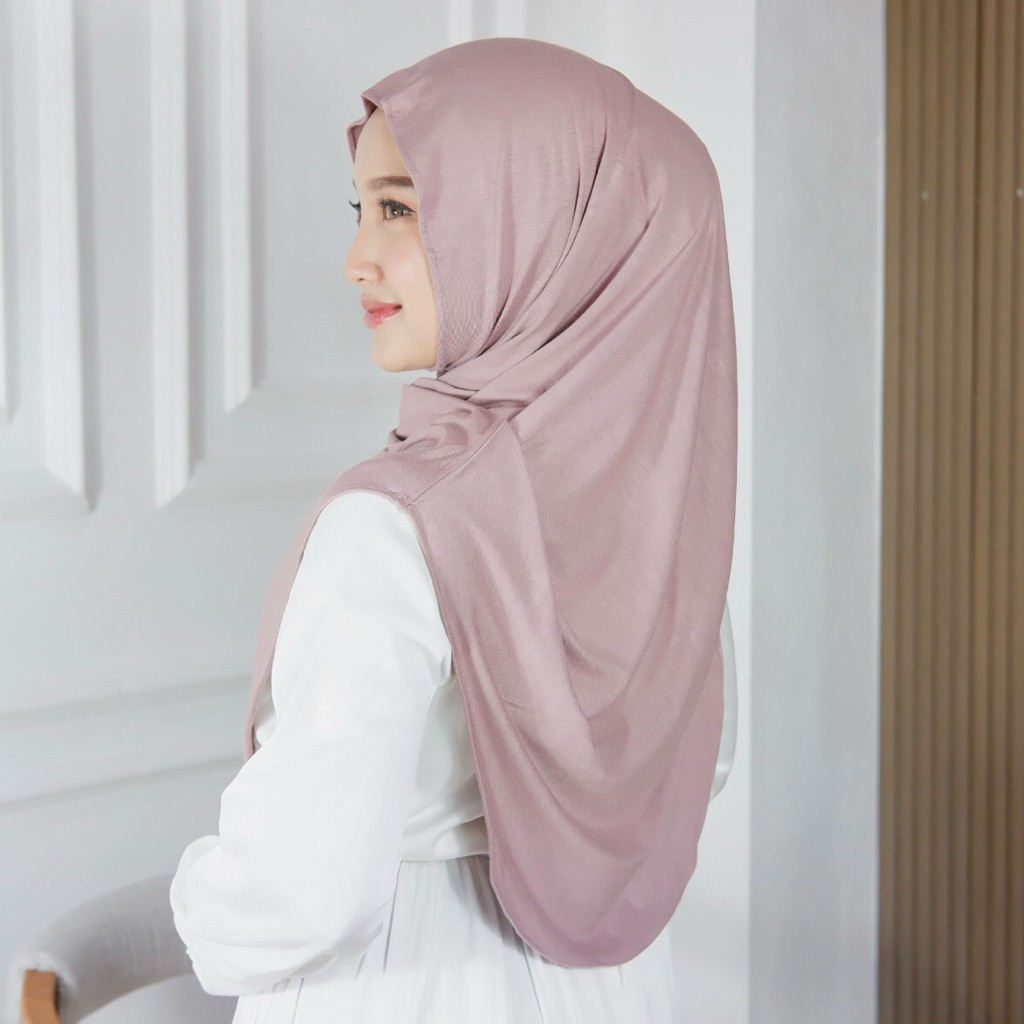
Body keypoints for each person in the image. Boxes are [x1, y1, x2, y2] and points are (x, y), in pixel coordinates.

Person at [170, 35, 737, 1024]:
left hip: (400, 987)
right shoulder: (662, 519)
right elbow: (698, 771)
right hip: (611, 989)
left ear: (549, 230)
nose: (356, 259)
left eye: (399, 208)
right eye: (361, 211)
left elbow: (296, 895)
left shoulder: (396, 526)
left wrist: (194, 898)